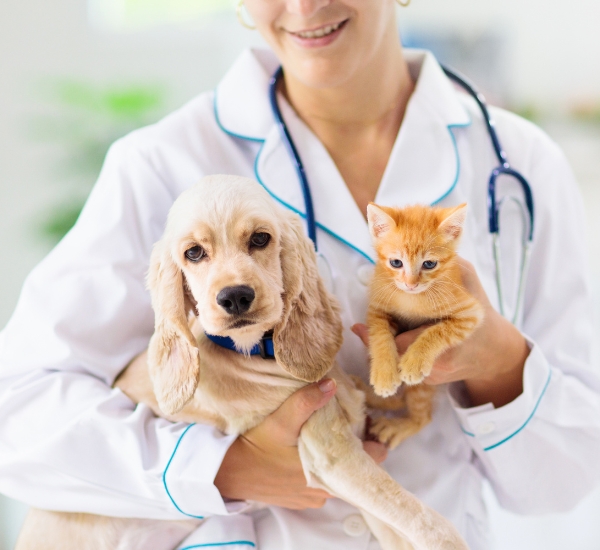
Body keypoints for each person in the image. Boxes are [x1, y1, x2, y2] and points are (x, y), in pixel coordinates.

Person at [1, 0, 600, 548]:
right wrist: (222, 466)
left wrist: (499, 362)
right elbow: (18, 414)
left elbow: (565, 483)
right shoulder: (160, 164)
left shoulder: (518, 164)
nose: (307, 5)